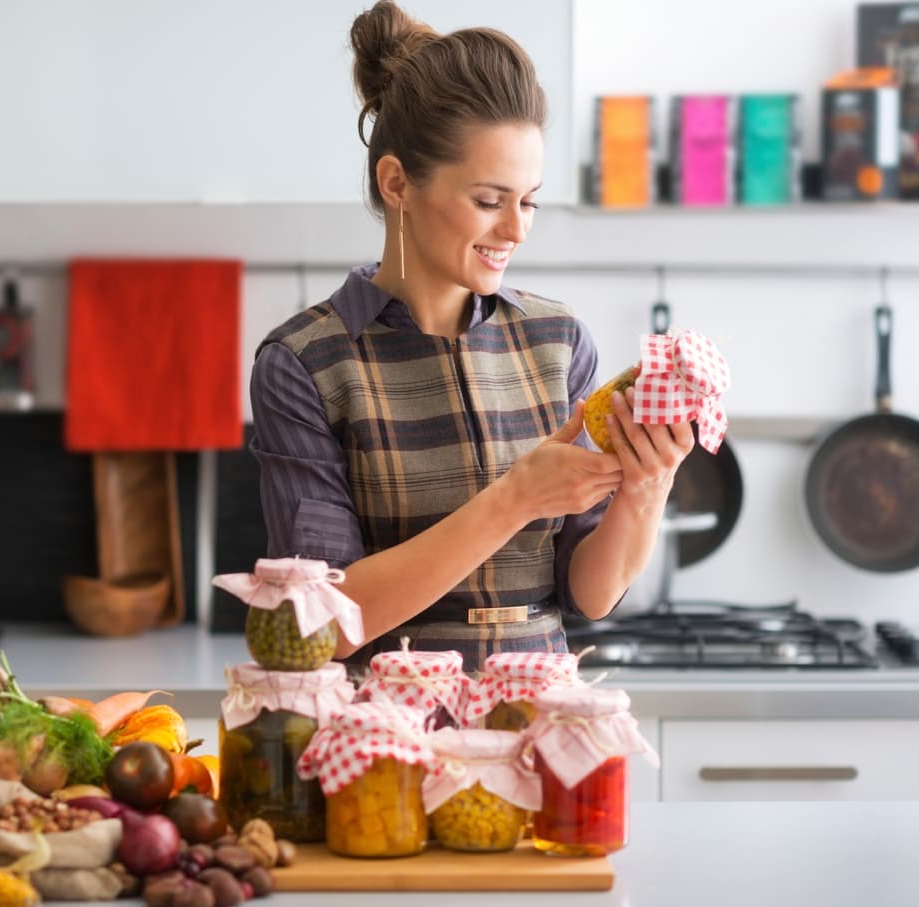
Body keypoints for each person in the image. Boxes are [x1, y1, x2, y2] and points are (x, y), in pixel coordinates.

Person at [248, 0, 695, 670]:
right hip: (385, 751)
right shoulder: (306, 365)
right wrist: (516, 498)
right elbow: (320, 624)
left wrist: (648, 481)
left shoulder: (557, 341)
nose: (516, 229)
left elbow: (592, 593)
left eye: (530, 200)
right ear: (397, 182)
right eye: (489, 200)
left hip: (538, 733)